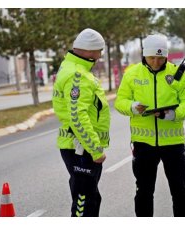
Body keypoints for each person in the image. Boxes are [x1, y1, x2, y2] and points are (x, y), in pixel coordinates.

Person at [114, 34, 185, 217]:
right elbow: (120, 102)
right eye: (152, 57)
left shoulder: (177, 74)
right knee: (143, 192)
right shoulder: (132, 74)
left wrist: (173, 114)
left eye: (161, 58)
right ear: (144, 55)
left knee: (180, 190)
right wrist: (132, 107)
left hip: (173, 144)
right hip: (143, 145)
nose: (156, 61)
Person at [52, 28, 110, 217]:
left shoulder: (71, 68)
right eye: (99, 50)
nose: (100, 55)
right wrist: (95, 149)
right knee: (84, 204)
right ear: (89, 50)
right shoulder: (78, 75)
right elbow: (78, 116)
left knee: (90, 199)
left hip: (78, 146)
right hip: (81, 148)